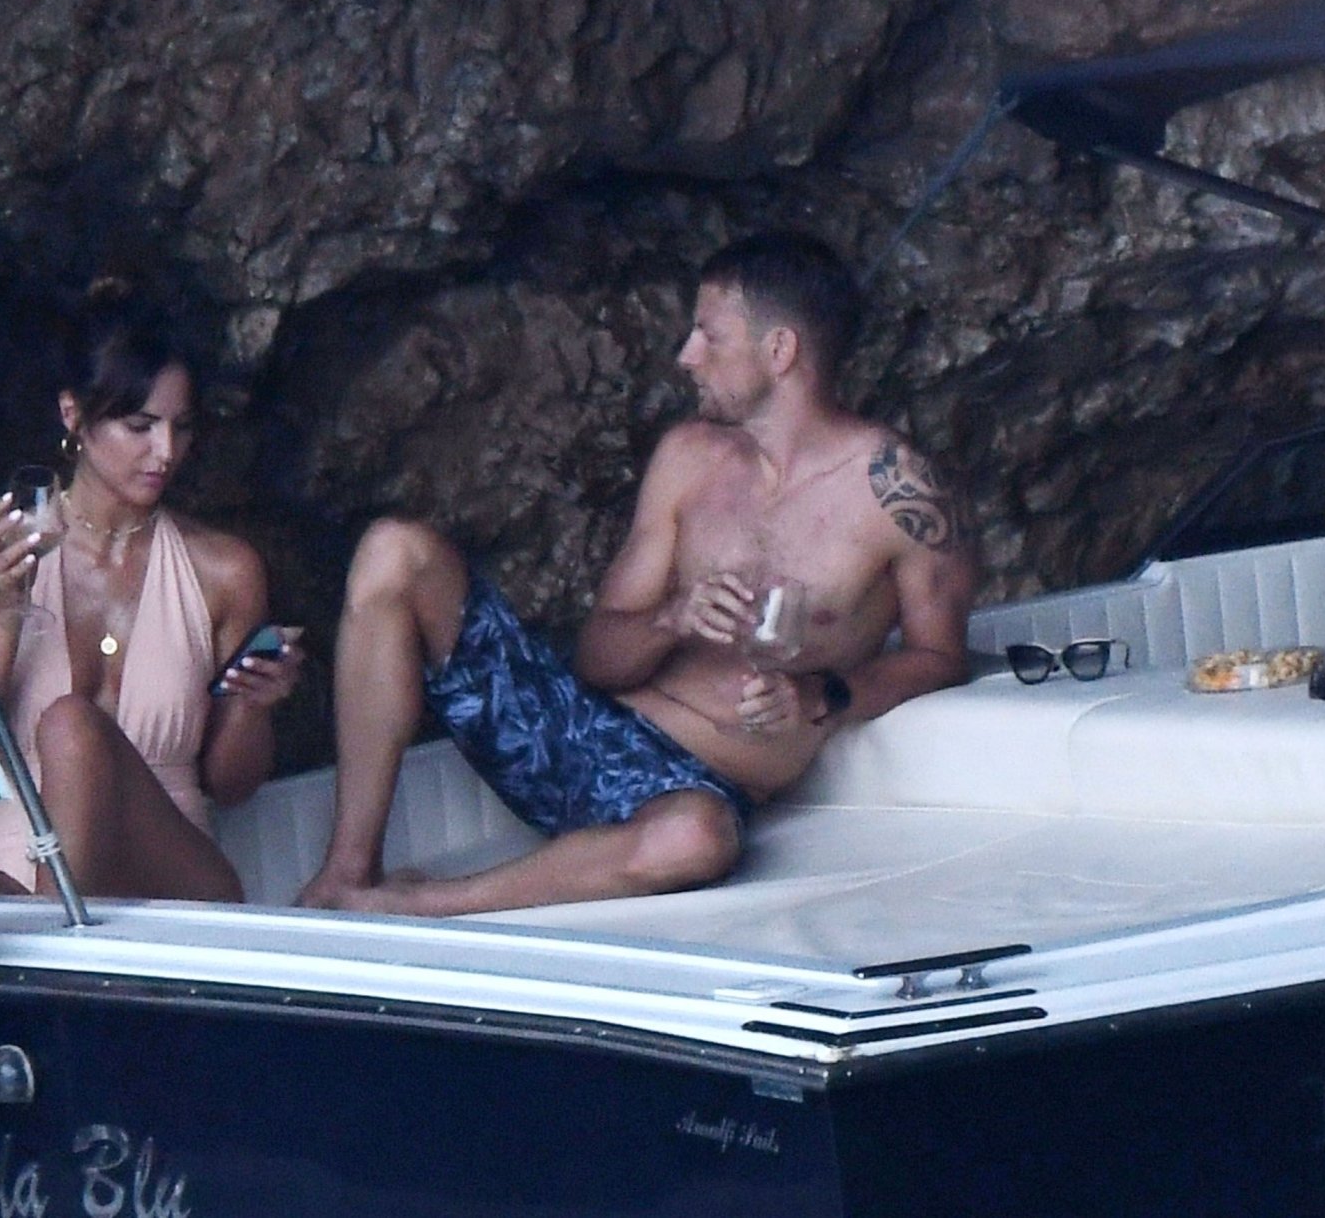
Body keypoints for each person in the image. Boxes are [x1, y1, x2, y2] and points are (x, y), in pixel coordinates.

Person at [298, 231, 976, 916]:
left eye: (709, 336)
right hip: (570, 730)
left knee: (695, 840)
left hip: (690, 784)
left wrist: (821, 695)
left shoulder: (899, 495)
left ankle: (417, 906)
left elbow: (939, 657)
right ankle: (346, 872)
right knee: (395, 549)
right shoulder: (688, 457)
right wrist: (672, 619)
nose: (686, 357)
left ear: (779, 351)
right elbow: (598, 663)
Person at [0, 305, 304, 899]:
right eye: (141, 426)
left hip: (171, 886)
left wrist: (255, 704)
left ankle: (51, 934)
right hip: (24, 872)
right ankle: (54, 923)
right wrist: (9, 612)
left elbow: (231, 786)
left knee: (71, 725)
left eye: (181, 427)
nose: (166, 452)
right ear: (73, 415)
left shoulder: (225, 570)